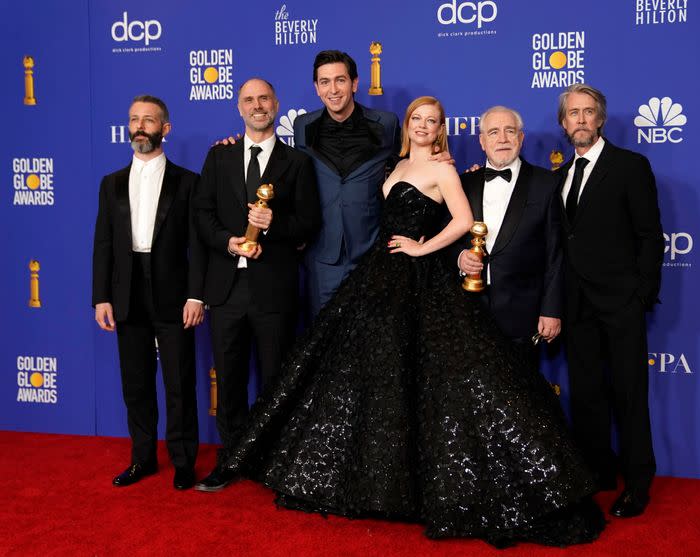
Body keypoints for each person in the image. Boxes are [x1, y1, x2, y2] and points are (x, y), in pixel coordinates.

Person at [212, 96, 605, 548]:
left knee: (432, 380)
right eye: (416, 119)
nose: (422, 125)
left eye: (431, 121)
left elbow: (462, 220)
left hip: (421, 279)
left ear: (440, 128)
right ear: (408, 126)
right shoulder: (392, 167)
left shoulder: (443, 169)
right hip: (379, 277)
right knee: (375, 378)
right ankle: (377, 482)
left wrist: (423, 248)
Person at [193, 78, 320, 491]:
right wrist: (229, 243)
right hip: (227, 289)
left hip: (273, 289)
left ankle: (273, 461)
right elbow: (202, 216)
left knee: (275, 379)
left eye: (264, 98)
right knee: (228, 380)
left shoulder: (297, 162)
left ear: (276, 104)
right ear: (239, 108)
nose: (257, 105)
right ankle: (230, 459)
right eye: (248, 100)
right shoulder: (218, 157)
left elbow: (309, 222)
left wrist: (276, 226)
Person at [556, 83, 663, 518]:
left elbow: (650, 236)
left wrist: (640, 295)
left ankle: (638, 482)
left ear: (600, 119)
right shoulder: (560, 176)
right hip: (576, 304)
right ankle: (599, 472)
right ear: (563, 123)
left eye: (588, 112)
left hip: (621, 303)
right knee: (586, 395)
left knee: (629, 395)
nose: (580, 119)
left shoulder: (629, 166)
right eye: (572, 113)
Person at [92, 95, 205, 490]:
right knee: (136, 383)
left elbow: (198, 244)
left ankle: (183, 462)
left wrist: (196, 295)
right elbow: (103, 243)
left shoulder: (188, 182)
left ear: (165, 129)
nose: (140, 126)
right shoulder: (110, 184)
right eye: (134, 120)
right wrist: (101, 297)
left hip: (174, 293)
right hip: (126, 294)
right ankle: (142, 459)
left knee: (179, 382)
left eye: (149, 120)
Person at [293, 50, 400, 317]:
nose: (333, 89)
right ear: (317, 88)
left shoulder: (386, 123)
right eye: (325, 82)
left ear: (354, 83)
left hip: (371, 250)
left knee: (369, 338)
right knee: (324, 340)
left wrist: (437, 157)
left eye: (340, 80)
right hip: (323, 254)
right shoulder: (302, 126)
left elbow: (407, 169)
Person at [455, 106, 563, 358]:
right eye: (493, 132)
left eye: (509, 131)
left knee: (521, 393)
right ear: (482, 141)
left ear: (521, 138)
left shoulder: (546, 183)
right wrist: (460, 257)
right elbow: (447, 238)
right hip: (468, 311)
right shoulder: (462, 183)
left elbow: (556, 253)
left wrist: (551, 309)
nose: (502, 139)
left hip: (523, 313)